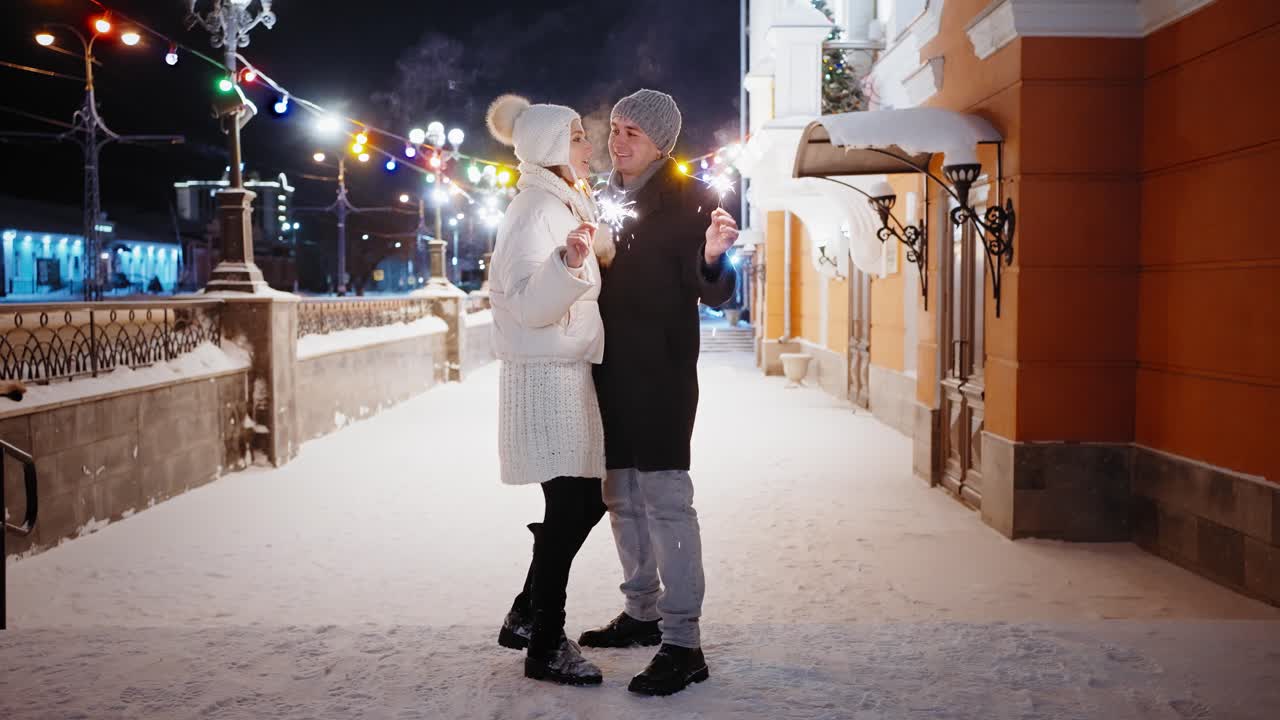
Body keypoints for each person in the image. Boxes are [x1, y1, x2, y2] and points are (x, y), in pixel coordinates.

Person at [577, 89, 739, 696]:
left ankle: (683, 642)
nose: (617, 142)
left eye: (632, 134)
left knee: (666, 498)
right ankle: (641, 613)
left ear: (660, 144)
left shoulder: (691, 202)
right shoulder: (602, 199)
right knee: (620, 494)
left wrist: (715, 257)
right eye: (615, 129)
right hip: (609, 372)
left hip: (664, 375)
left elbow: (716, 293)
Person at [485, 93, 608, 686]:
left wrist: (578, 256)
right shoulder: (536, 209)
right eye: (579, 136)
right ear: (553, 146)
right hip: (545, 377)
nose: (590, 145)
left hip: (563, 371)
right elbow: (530, 304)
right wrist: (568, 262)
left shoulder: (557, 202)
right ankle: (545, 642)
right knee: (570, 506)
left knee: (583, 502)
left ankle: (525, 617)